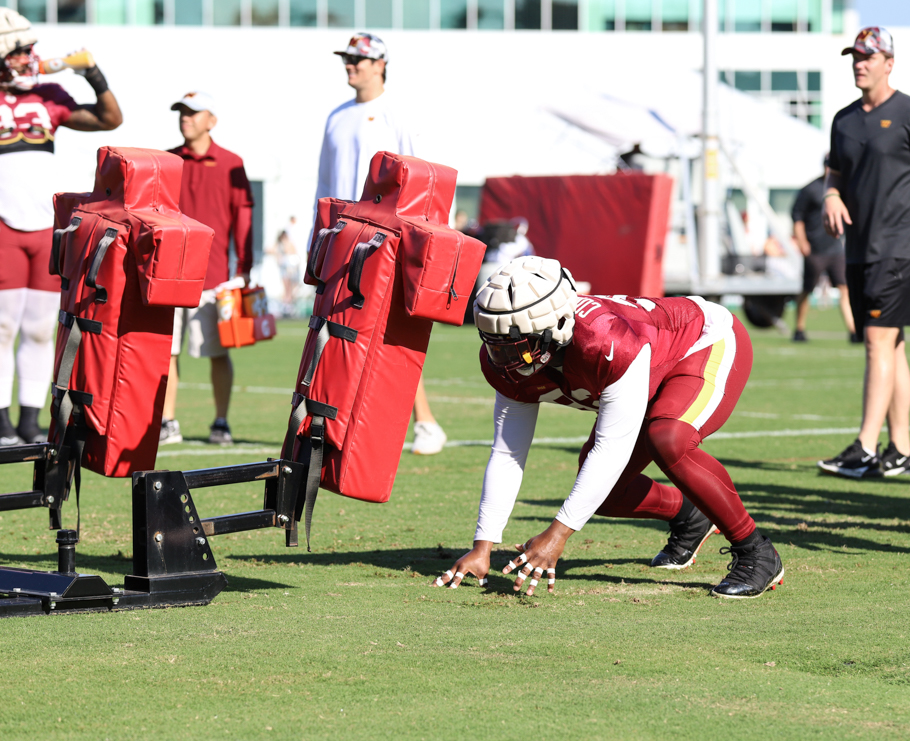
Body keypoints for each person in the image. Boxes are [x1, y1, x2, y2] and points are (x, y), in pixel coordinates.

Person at [432, 256, 784, 599]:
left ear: (556, 327)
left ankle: (756, 552)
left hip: (700, 341)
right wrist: (483, 546)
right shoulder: (506, 360)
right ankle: (690, 516)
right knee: (606, 491)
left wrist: (558, 534)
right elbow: (508, 454)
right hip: (644, 369)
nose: (505, 361)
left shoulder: (603, 341)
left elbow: (611, 450)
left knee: (669, 439)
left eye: (520, 347)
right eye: (496, 345)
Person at [818, 27, 910, 478]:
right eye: (854, 56)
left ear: (888, 63)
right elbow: (834, 174)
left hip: (900, 250)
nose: (859, 63)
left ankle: (864, 445)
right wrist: (831, 195)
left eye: (868, 57)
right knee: (890, 346)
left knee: (877, 341)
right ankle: (900, 450)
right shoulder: (844, 120)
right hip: (859, 251)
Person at [0, 8, 122, 447]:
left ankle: (28, 421)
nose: (30, 59)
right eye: (21, 52)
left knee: (42, 326)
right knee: (2, 323)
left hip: (45, 223)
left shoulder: (47, 93)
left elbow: (109, 119)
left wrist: (93, 74)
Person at [310, 32, 446, 456]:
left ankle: (425, 423)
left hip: (385, 240)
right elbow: (325, 184)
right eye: (347, 58)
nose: (351, 65)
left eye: (359, 59)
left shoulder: (397, 113)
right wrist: (318, 240)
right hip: (342, 237)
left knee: (382, 333)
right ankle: (335, 421)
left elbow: (423, 179)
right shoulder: (336, 116)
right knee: (333, 331)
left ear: (380, 64)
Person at [160, 91, 254, 446]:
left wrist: (244, 269)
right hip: (169, 276)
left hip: (215, 279)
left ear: (211, 120)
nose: (185, 118)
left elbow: (244, 216)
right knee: (166, 352)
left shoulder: (232, 163)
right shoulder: (167, 161)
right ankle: (168, 421)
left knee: (217, 352)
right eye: (181, 112)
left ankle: (221, 421)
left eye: (192, 113)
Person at [791, 156, 856, 342]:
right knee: (807, 289)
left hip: (836, 249)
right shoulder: (811, 189)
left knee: (845, 288)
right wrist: (802, 242)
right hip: (815, 249)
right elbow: (797, 217)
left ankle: (853, 331)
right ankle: (799, 329)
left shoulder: (842, 189)